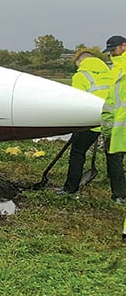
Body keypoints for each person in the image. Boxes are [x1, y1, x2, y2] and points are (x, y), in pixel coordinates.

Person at [59, 51, 122, 198]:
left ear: (81, 62)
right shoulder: (112, 73)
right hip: (111, 121)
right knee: (113, 156)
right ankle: (118, 195)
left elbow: (76, 102)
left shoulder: (81, 75)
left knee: (78, 152)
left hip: (90, 122)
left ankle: (71, 189)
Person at [101, 36, 126, 203]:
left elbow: (110, 104)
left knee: (115, 159)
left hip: (120, 128)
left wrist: (107, 130)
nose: (111, 53)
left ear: (124, 46)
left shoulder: (118, 70)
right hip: (120, 126)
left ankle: (119, 195)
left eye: (113, 49)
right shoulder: (116, 69)